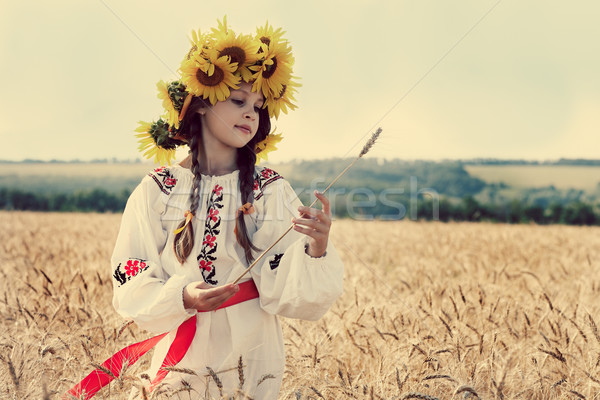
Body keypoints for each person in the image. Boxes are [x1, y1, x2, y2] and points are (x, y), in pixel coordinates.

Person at [110, 17, 344, 399]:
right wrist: (182, 297)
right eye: (238, 100)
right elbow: (129, 273)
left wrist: (316, 249)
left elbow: (291, 291)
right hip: (182, 353)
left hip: (252, 353)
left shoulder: (268, 189)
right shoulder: (157, 190)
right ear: (200, 104)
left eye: (258, 105)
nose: (251, 113)